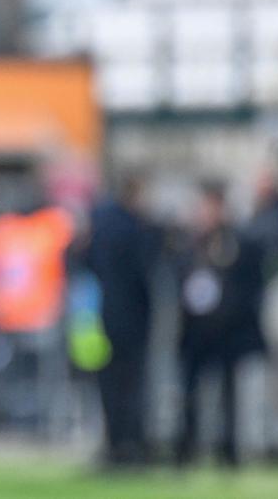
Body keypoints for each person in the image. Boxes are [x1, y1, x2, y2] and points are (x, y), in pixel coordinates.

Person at [174, 179, 265, 466]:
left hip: (226, 330)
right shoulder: (190, 242)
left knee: (228, 393)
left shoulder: (235, 242)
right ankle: (188, 448)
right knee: (191, 391)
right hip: (195, 329)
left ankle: (229, 450)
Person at [85, 175, 156, 465]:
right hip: (131, 318)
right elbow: (143, 276)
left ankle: (114, 442)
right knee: (131, 384)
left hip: (102, 316)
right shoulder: (134, 229)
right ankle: (130, 444)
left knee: (109, 385)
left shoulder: (100, 225)